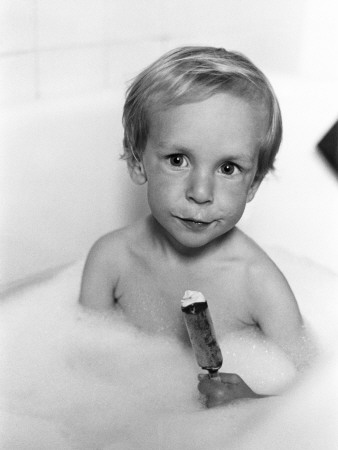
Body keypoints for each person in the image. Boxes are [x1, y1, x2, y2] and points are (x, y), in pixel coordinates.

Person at [79, 46, 305, 408]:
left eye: (228, 168)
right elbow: (79, 363)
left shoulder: (258, 283)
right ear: (138, 163)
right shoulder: (110, 260)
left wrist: (251, 399)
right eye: (178, 159)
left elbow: (313, 391)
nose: (201, 193)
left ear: (254, 185)